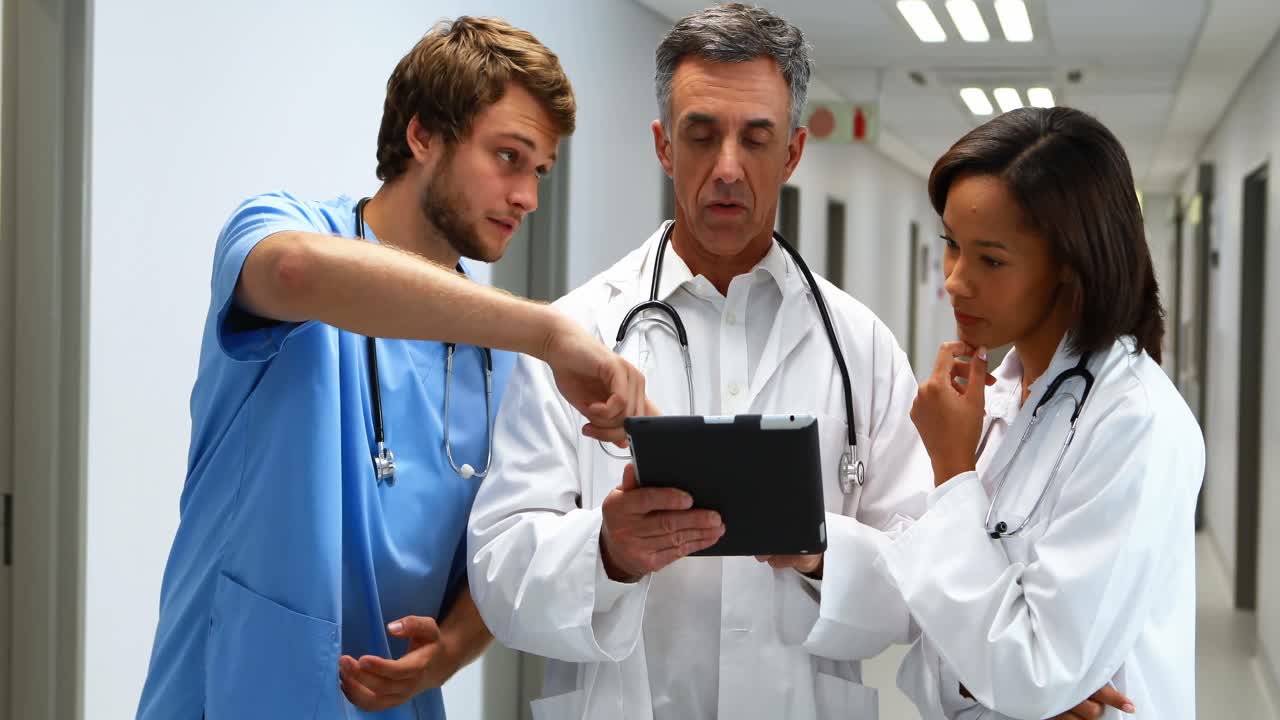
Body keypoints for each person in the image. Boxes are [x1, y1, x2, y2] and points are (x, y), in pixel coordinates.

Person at [136, 17, 650, 719]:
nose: (527, 196)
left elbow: (501, 547)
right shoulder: (287, 227)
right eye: (508, 157)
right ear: (423, 135)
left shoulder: (500, 355)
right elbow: (291, 272)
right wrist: (549, 331)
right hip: (231, 687)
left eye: (539, 171)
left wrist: (454, 647)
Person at [466, 6, 935, 718]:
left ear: (794, 152)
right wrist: (609, 552)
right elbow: (499, 572)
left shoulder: (859, 346)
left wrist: (818, 551)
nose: (726, 168)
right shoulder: (579, 332)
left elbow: (921, 577)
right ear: (663, 146)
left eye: (756, 138)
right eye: (701, 134)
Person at [876, 107, 1204, 720]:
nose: (954, 281)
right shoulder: (1002, 398)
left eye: (990, 260)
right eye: (951, 245)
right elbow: (938, 659)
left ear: (1070, 265)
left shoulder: (1136, 422)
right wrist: (988, 676)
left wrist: (952, 471)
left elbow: (1030, 672)